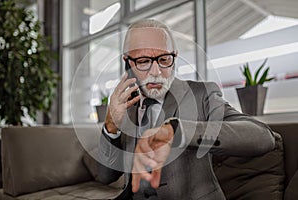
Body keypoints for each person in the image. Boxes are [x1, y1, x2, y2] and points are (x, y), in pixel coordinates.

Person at [96, 19, 275, 200]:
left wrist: (176, 131)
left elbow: (263, 137)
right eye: (143, 61)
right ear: (128, 63)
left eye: (164, 59)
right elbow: (105, 176)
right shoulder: (126, 106)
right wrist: (111, 126)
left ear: (174, 58)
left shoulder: (201, 94)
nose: (156, 71)